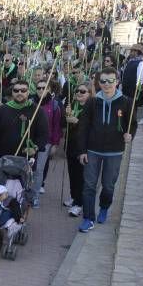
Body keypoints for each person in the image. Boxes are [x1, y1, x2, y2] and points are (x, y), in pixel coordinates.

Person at [76, 67, 137, 233]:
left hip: (115, 151)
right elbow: (83, 127)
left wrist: (129, 134)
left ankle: (104, 206)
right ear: (98, 83)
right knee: (89, 185)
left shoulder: (126, 102)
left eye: (111, 80)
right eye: (103, 81)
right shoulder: (92, 101)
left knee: (108, 186)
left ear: (117, 81)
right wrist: (82, 150)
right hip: (92, 150)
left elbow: (132, 124)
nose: (107, 84)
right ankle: (88, 218)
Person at [63, 81, 91, 217]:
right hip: (71, 145)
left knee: (81, 175)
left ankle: (79, 203)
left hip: (83, 148)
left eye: (83, 91)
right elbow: (65, 125)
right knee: (72, 173)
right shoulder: (72, 105)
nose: (79, 93)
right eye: (77, 91)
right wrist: (67, 115)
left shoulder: (91, 108)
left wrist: (77, 122)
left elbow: (91, 129)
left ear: (89, 93)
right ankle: (74, 196)